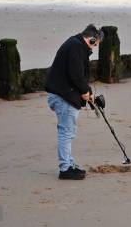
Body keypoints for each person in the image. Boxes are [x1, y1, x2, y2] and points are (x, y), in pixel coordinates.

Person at [45, 24, 103, 180]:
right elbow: (75, 75)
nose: (96, 46)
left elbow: (77, 75)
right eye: (96, 43)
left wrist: (87, 92)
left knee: (68, 132)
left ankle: (69, 164)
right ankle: (65, 169)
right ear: (91, 39)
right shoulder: (76, 47)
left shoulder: (75, 44)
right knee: (66, 133)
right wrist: (85, 92)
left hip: (61, 93)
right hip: (62, 96)